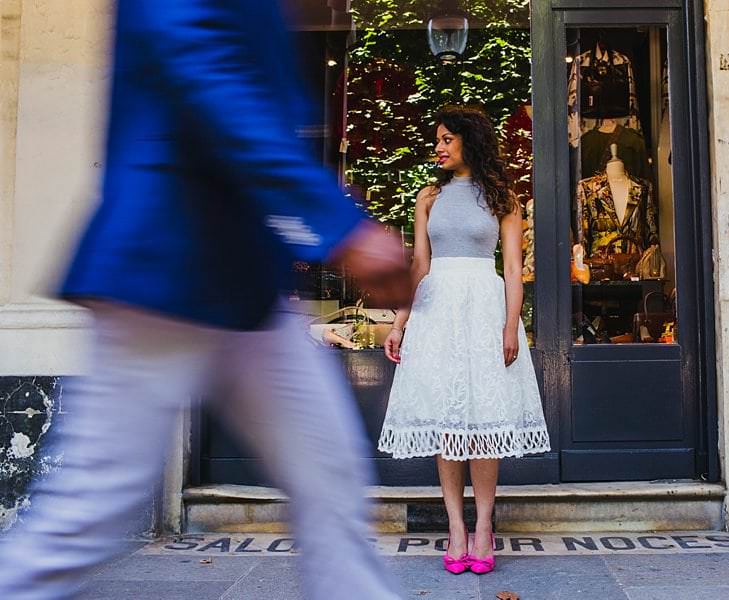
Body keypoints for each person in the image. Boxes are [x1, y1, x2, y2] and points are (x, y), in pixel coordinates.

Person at [0, 1, 409, 599]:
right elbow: (214, 84)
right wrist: (338, 225)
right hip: (164, 267)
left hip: (246, 283)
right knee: (88, 515)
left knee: (331, 480)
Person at [377, 106, 551, 575]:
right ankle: (456, 526)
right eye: (437, 139)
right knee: (446, 422)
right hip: (437, 311)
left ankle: (484, 526)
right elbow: (418, 265)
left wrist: (511, 325)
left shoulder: (503, 198)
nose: (438, 146)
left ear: (469, 142)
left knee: (485, 421)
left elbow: (513, 268)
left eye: (447, 139)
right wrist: (399, 322)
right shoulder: (428, 196)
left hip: (483, 308)